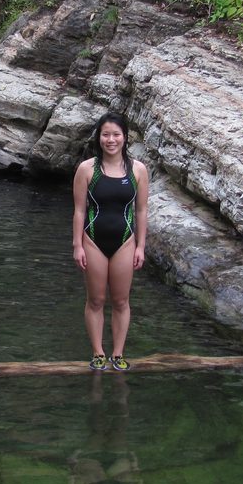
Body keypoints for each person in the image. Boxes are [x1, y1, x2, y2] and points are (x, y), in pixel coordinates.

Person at [72, 112, 149, 371]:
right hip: (93, 240)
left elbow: (141, 211)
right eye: (106, 134)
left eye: (116, 134)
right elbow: (79, 211)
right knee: (95, 300)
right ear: (99, 137)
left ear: (125, 137)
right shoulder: (87, 169)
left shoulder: (138, 170)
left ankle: (118, 354)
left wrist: (140, 246)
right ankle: (97, 353)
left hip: (125, 241)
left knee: (121, 300)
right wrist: (77, 245)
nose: (111, 139)